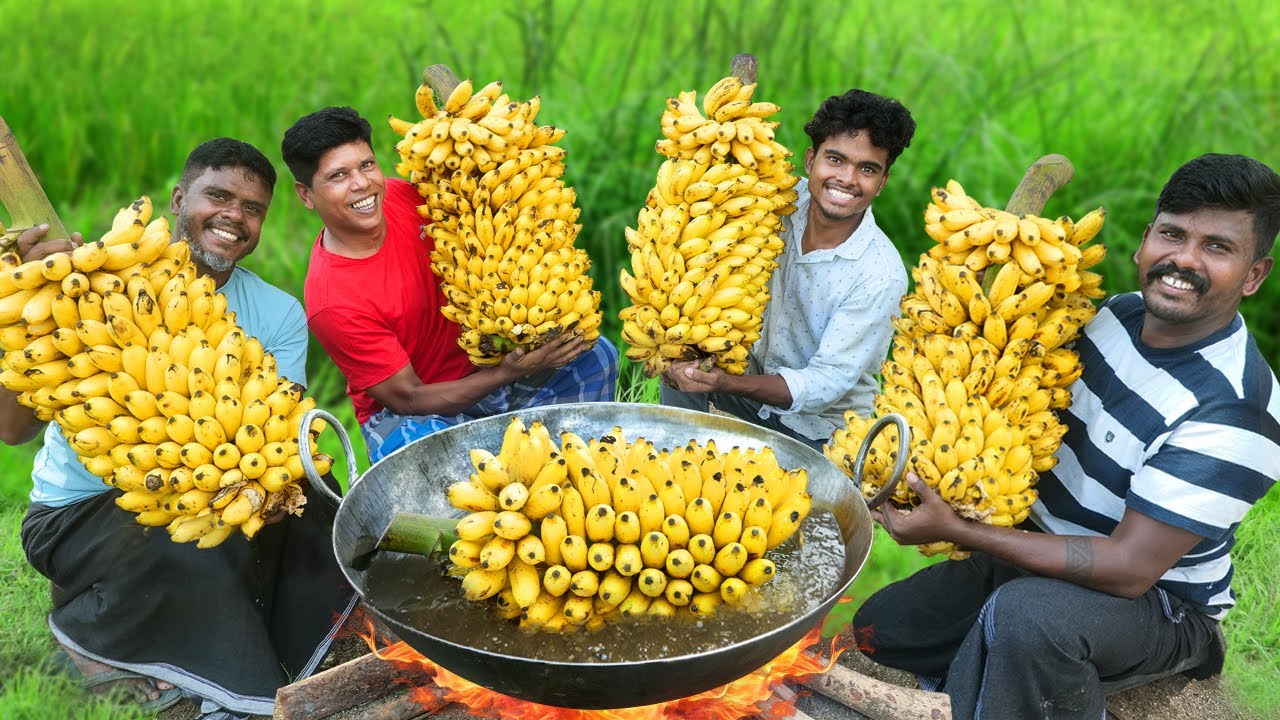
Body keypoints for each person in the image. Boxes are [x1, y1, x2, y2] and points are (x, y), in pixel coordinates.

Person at [846, 153, 1280, 720]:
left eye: (1217, 247)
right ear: (1145, 240)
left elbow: (1129, 569)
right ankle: (981, 668)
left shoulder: (1236, 410)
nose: (1183, 259)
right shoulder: (1116, 316)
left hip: (1156, 603)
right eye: (1172, 234)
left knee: (1029, 620)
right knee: (881, 629)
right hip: (1041, 552)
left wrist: (962, 532)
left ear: (1254, 274)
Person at [0, 138, 355, 717]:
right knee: (189, 526)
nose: (234, 217)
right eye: (218, 195)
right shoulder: (96, 282)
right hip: (81, 517)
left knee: (314, 504)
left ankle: (302, 639)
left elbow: (278, 433)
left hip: (212, 491)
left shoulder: (279, 313)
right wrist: (28, 296)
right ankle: (94, 632)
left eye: (253, 208)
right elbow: (10, 429)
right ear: (177, 198)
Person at [280, 107, 619, 463]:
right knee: (419, 461)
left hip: (489, 364)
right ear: (305, 195)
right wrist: (508, 373)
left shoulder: (403, 197)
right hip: (419, 412)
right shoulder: (332, 301)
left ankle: (563, 472)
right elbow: (407, 397)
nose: (362, 184)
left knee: (596, 357)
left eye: (366, 165)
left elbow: (484, 217)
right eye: (338, 176)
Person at [660, 89, 916, 452]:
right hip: (744, 389)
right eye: (836, 160)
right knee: (679, 377)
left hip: (822, 429)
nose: (847, 179)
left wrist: (726, 384)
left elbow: (824, 383)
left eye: (867, 169)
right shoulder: (768, 204)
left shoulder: (879, 273)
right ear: (811, 160)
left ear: (882, 182)